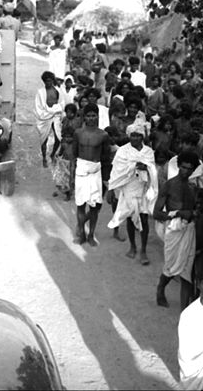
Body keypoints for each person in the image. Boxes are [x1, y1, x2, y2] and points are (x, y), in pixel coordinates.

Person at [153, 150, 200, 309]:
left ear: (194, 170)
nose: (186, 171)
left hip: (189, 230)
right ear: (179, 166)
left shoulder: (194, 188)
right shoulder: (169, 185)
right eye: (183, 167)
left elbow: (195, 213)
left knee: (187, 271)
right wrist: (178, 213)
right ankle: (161, 287)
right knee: (171, 266)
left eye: (189, 168)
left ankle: (184, 312)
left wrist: (193, 214)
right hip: (173, 230)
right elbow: (156, 213)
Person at [107, 122, 158, 264]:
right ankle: (133, 246)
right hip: (128, 187)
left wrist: (145, 167)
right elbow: (116, 171)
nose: (135, 138)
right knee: (130, 217)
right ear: (129, 136)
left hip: (143, 187)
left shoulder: (148, 151)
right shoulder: (122, 151)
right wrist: (111, 189)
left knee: (144, 218)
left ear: (142, 136)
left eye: (138, 135)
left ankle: (143, 250)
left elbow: (152, 168)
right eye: (133, 135)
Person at [72, 103, 111, 246]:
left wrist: (106, 179)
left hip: (96, 171)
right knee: (80, 204)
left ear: (97, 116)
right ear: (84, 117)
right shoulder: (78, 133)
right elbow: (74, 156)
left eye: (93, 115)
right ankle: (81, 233)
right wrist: (71, 177)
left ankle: (91, 235)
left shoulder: (103, 135)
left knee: (94, 206)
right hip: (81, 170)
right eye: (88, 115)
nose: (91, 118)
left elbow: (106, 159)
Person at [34, 71, 63, 168]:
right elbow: (38, 107)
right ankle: (44, 157)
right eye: (46, 81)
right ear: (44, 81)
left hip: (55, 116)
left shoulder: (57, 91)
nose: (48, 83)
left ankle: (53, 153)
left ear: (52, 81)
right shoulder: (40, 92)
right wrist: (48, 112)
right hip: (44, 117)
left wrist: (55, 110)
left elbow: (61, 103)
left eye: (50, 81)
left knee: (59, 137)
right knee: (44, 139)